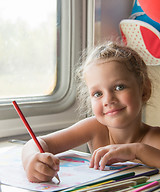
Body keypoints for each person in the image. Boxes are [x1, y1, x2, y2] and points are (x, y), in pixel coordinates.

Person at [22, 41, 160, 183]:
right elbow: (37, 143)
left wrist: (137, 151)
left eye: (119, 87)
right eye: (97, 94)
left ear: (144, 90)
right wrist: (31, 161)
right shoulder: (94, 128)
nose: (108, 100)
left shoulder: (154, 138)